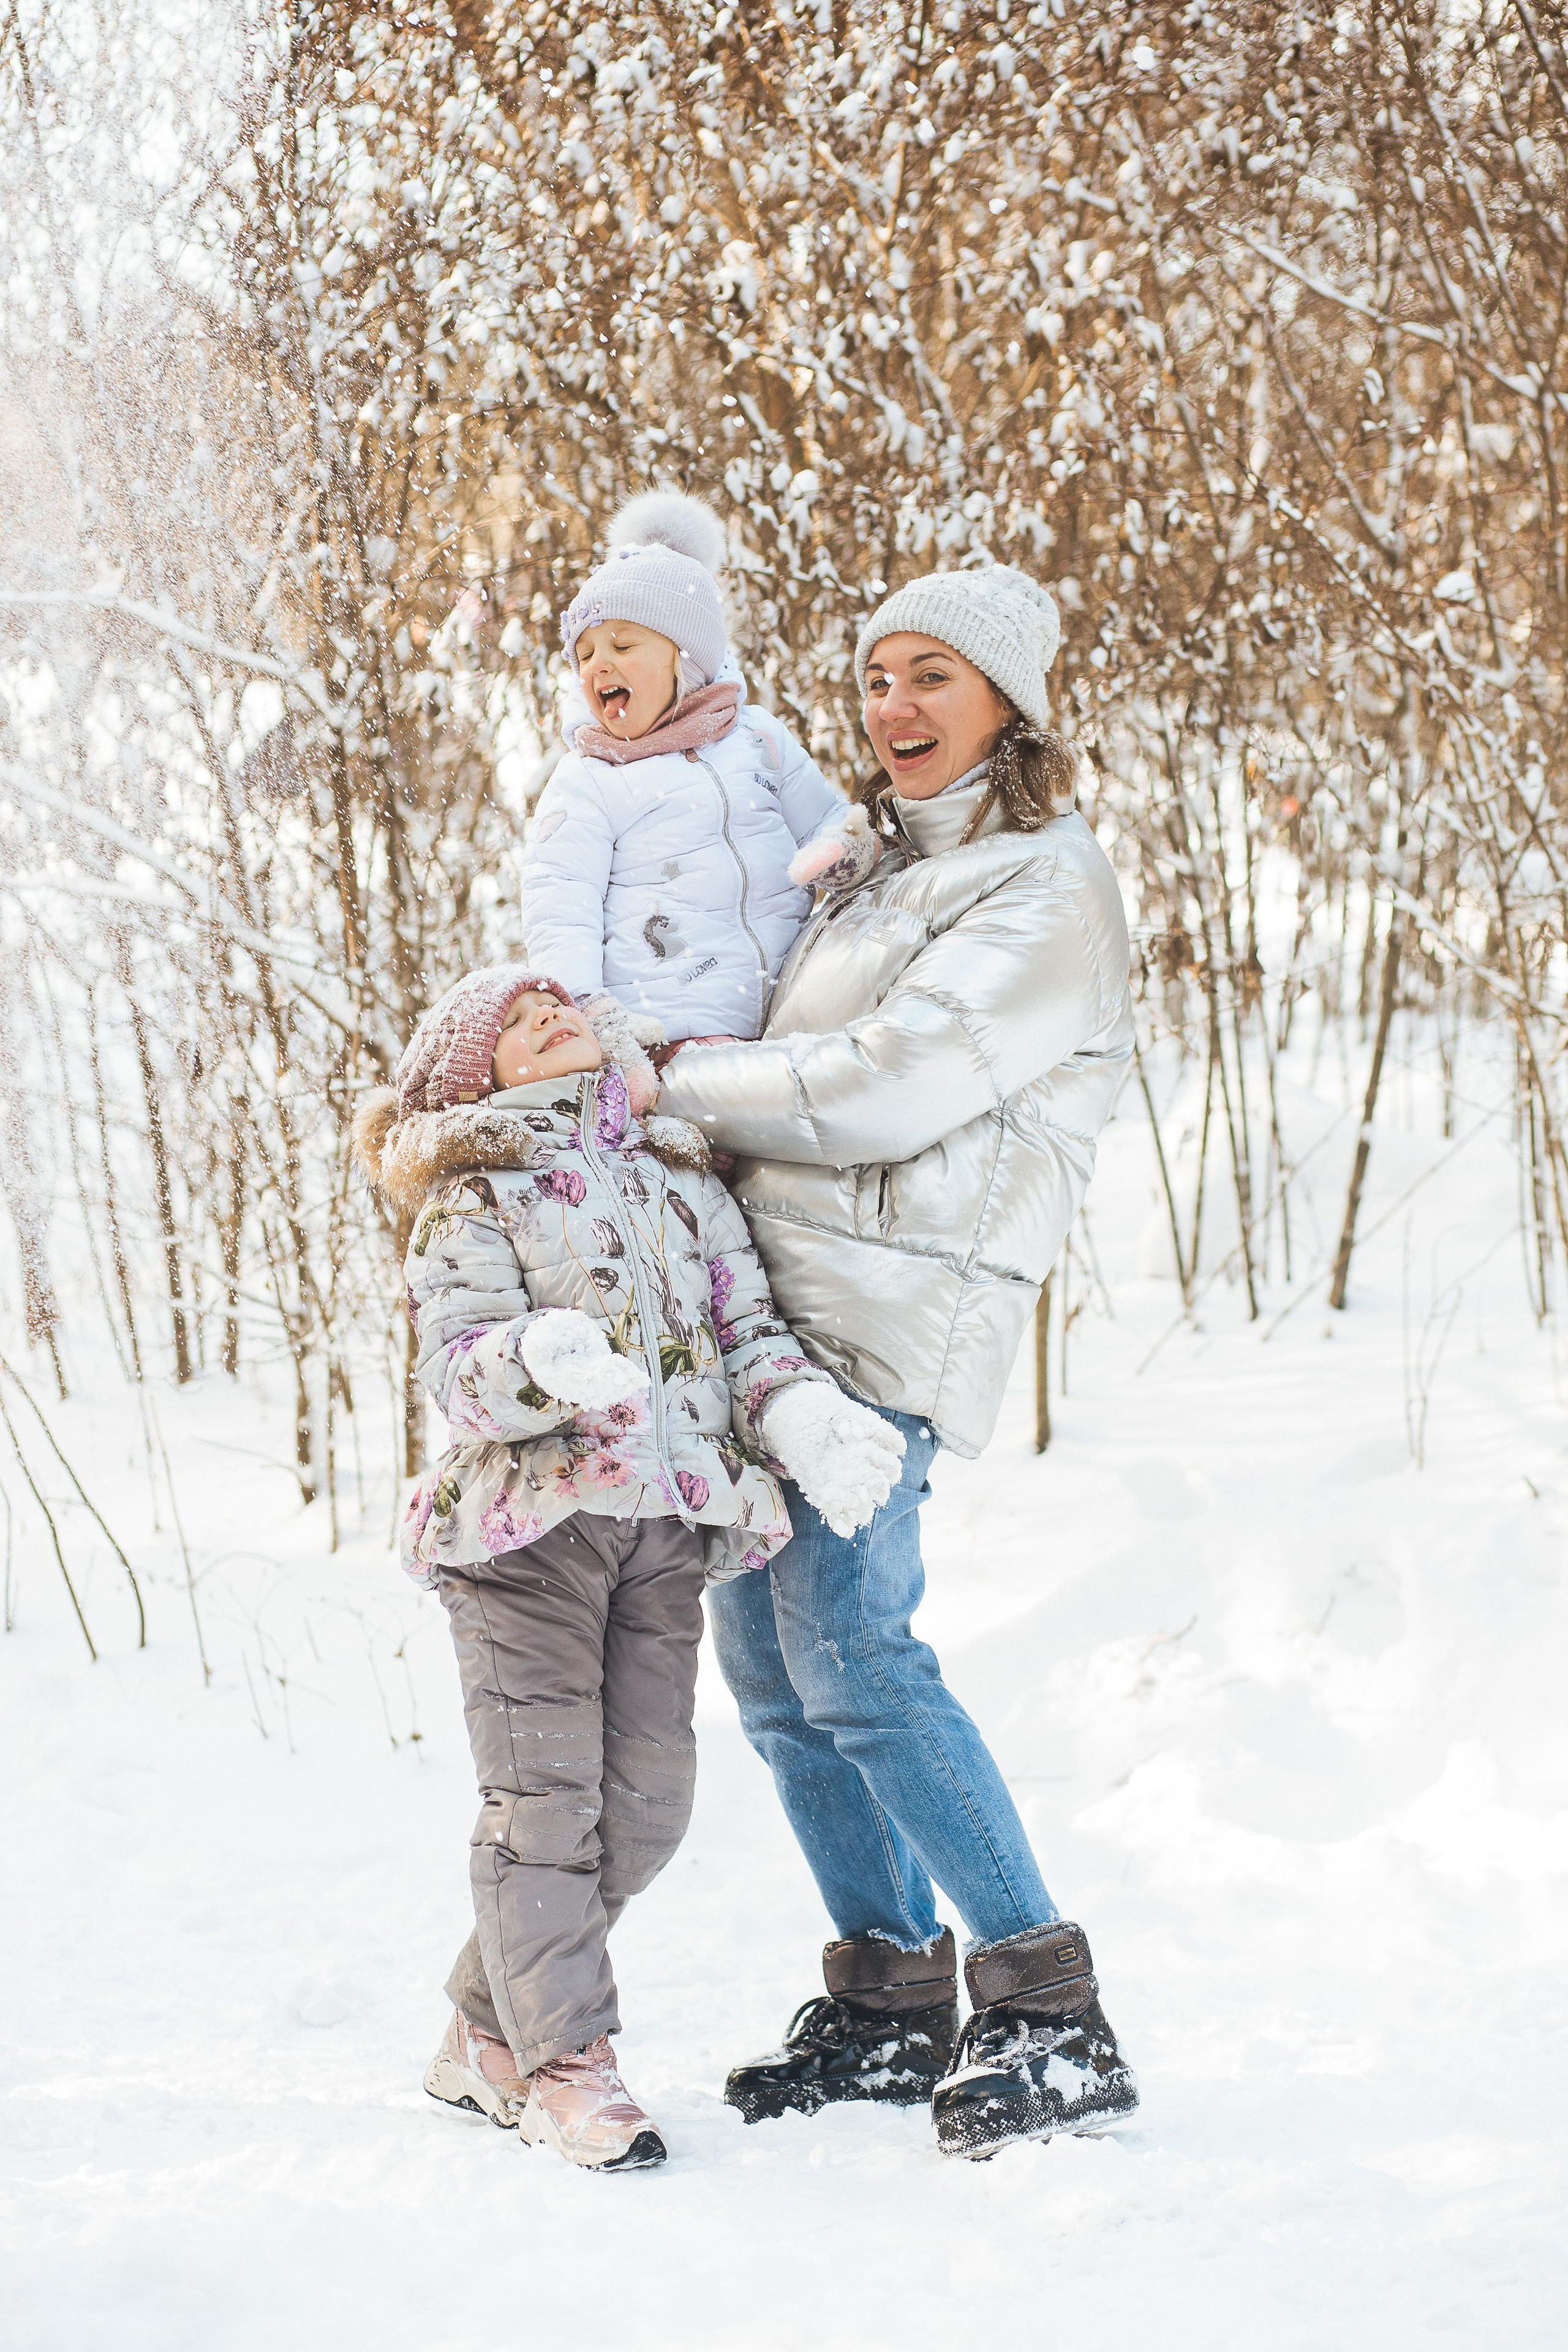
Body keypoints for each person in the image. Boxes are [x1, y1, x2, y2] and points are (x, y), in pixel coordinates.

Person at [656, 563, 1140, 2159]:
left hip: (887, 1320)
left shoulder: (1040, 887)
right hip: (769, 1322)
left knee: (858, 1654)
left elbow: (887, 1083)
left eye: (934, 675)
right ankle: (887, 2002)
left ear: (1010, 698)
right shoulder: (869, 871)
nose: (896, 708)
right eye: (877, 677)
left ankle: (1050, 2009)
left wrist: (681, 1078)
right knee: (779, 1680)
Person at [355, 970, 900, 2171]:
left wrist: (799, 1414)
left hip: (661, 1525)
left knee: (646, 1812)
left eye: (560, 1008)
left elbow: (748, 1334)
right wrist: (538, 1360)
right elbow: (457, 1370)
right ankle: (566, 2067)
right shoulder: (472, 1198)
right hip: (526, 1535)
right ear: (470, 1072)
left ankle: (484, 2023)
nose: (548, 1020)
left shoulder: (680, 1183)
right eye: (514, 1022)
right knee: (546, 1806)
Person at [519, 491, 873, 1048]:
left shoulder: (757, 738)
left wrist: (842, 851)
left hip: (795, 1011)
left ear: (685, 657)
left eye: (623, 643)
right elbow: (562, 909)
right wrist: (590, 1016)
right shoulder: (590, 778)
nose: (599, 664)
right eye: (584, 654)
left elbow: (826, 820)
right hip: (671, 1034)